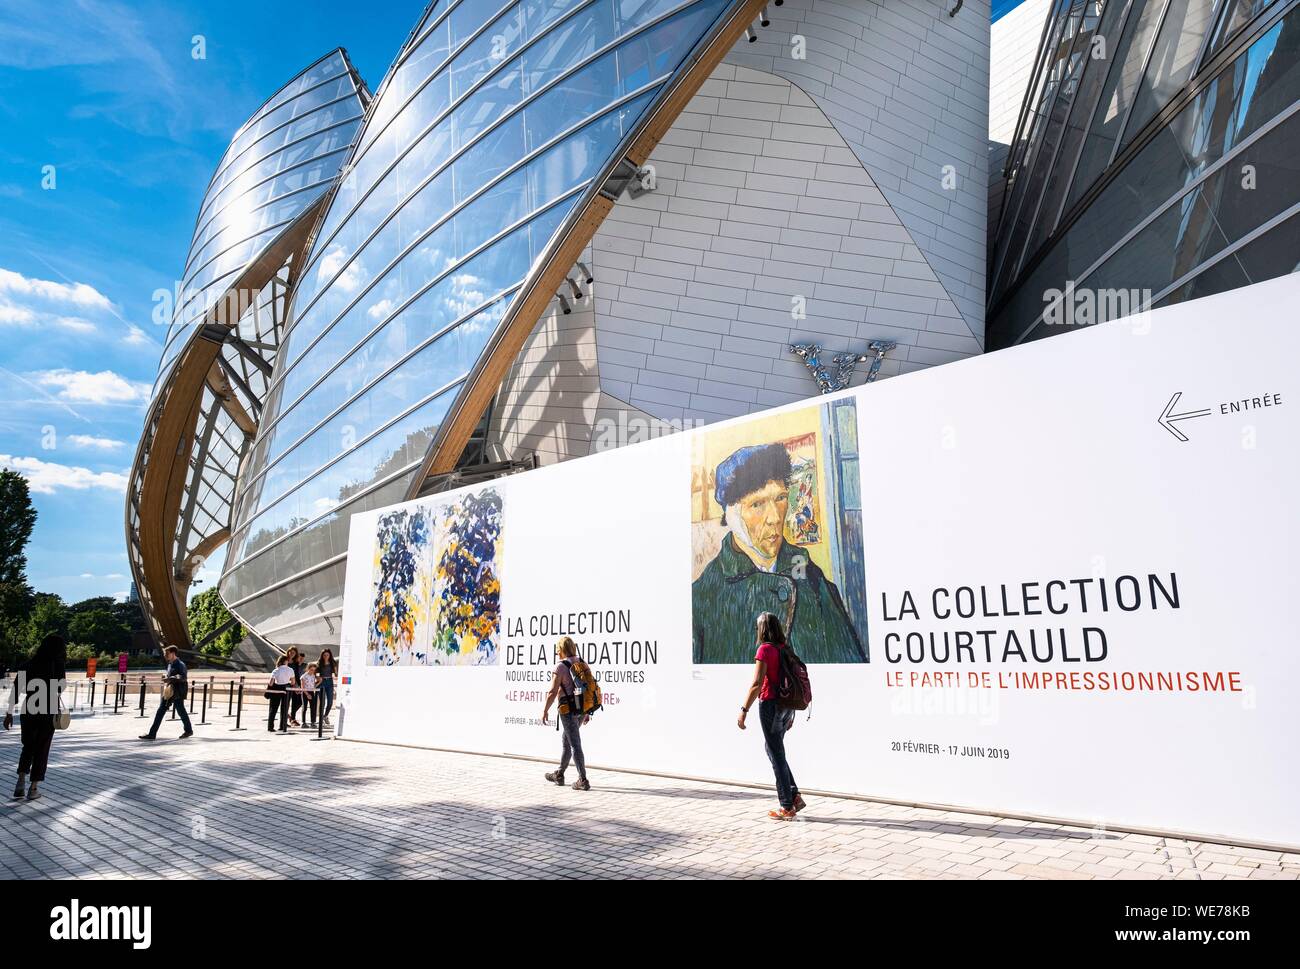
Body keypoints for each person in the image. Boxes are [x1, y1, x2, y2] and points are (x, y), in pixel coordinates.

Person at [692, 443, 866, 664]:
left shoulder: (811, 576)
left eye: (780, 498)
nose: (774, 517)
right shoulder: (703, 598)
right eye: (757, 504)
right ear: (731, 514)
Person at [737, 613, 806, 821]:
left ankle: (786, 806)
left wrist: (744, 710)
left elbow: (757, 684)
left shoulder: (765, 649)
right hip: (785, 707)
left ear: (763, 629)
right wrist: (791, 713)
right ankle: (793, 796)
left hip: (770, 705)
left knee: (775, 752)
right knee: (773, 748)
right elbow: (790, 680)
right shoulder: (784, 648)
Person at [4, 634, 67, 801]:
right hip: (48, 710)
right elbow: (60, 688)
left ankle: (20, 782)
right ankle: (33, 788)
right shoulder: (57, 664)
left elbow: (16, 690)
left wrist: (9, 713)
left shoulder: (28, 664)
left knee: (28, 746)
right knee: (42, 749)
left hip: (29, 709)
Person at [540, 636, 591, 791]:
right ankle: (560, 774)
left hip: (568, 710)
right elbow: (588, 689)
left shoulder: (560, 667)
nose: (556, 653)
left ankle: (583, 780)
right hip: (581, 709)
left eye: (558, 649)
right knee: (567, 740)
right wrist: (587, 711)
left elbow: (552, 692)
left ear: (562, 650)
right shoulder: (581, 662)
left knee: (574, 743)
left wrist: (545, 710)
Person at [138, 646, 193, 741]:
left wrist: (171, 678)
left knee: (180, 711)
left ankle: (188, 730)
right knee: (162, 711)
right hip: (170, 691)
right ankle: (152, 734)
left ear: (173, 653)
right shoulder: (170, 664)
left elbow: (183, 677)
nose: (165, 655)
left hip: (178, 692)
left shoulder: (180, 664)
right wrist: (166, 677)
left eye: (166, 653)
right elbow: (170, 676)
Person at [266, 655, 294, 732]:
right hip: (286, 689)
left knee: (273, 708)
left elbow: (271, 683)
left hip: (276, 689)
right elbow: (293, 682)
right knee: (284, 708)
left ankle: (270, 727)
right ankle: (282, 726)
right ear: (285, 661)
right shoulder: (290, 670)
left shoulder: (275, 670)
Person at [317, 649, 338, 727]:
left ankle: (325, 716)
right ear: (322, 655)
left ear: (330, 655)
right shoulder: (319, 663)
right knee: (322, 702)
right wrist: (318, 678)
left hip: (330, 682)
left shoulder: (333, 663)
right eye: (324, 655)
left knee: (330, 702)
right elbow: (316, 674)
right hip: (322, 682)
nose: (326, 656)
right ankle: (321, 719)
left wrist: (336, 672)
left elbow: (335, 674)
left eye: (327, 655)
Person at [285, 647, 303, 727]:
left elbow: (297, 674)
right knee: (287, 703)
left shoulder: (296, 662)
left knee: (299, 701)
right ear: (288, 652)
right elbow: (283, 673)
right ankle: (286, 720)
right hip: (287, 684)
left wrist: (298, 685)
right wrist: (293, 683)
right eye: (290, 652)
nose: (292, 653)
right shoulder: (284, 660)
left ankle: (291, 717)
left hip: (296, 685)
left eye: (294, 652)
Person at [300, 663, 319, 728]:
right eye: (311, 670)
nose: (312, 671)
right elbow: (302, 687)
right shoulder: (303, 676)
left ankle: (313, 722)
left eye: (314, 670)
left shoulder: (313, 676)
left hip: (311, 692)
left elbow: (313, 686)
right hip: (305, 692)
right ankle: (303, 722)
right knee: (304, 707)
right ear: (308, 669)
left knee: (313, 707)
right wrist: (307, 694)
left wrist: (319, 682)